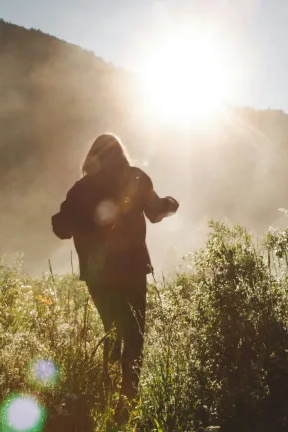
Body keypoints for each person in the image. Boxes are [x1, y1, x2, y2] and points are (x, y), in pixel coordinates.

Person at [51, 133, 179, 420]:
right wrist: (172, 203)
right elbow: (157, 213)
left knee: (112, 328)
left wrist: (74, 222)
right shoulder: (136, 178)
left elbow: (61, 227)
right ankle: (127, 402)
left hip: (98, 273)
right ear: (121, 154)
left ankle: (106, 391)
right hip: (132, 267)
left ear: (92, 157)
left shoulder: (81, 188)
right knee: (134, 334)